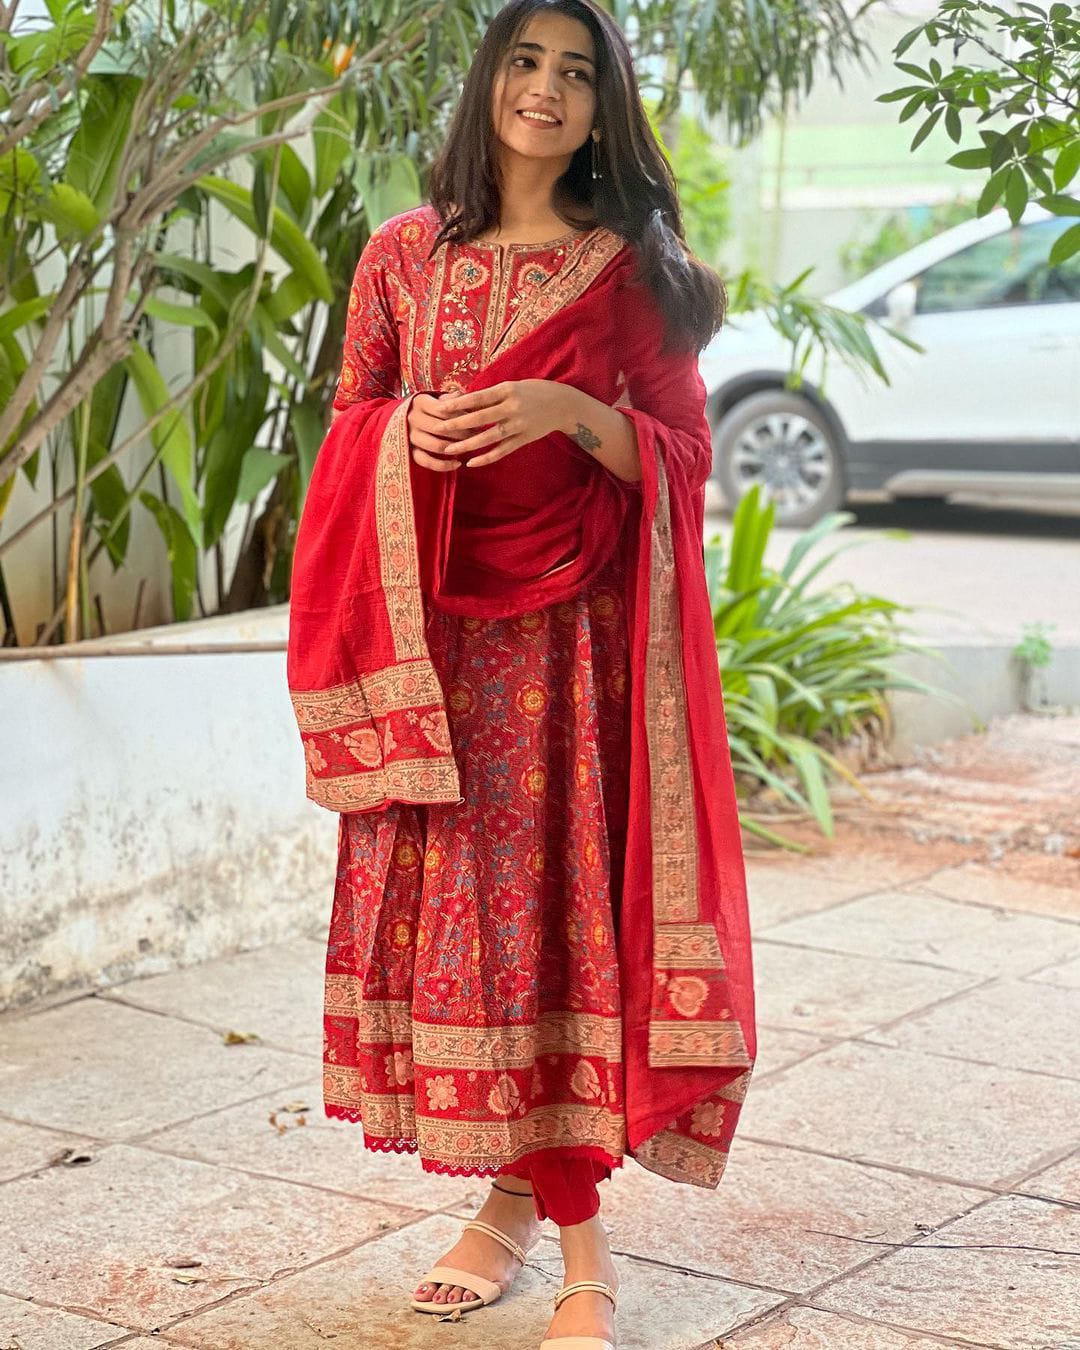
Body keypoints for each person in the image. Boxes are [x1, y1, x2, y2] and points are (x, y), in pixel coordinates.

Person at [286, 1, 756, 1346]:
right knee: (479, 936)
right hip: (431, 653)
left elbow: (685, 454)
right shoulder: (400, 258)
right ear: (488, 81)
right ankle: (507, 1206)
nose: (544, 92)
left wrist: (576, 413)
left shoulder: (631, 273)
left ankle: (580, 1246)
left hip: (570, 669)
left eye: (575, 74)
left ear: (605, 108)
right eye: (525, 63)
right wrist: (398, 440)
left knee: (552, 925)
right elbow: (349, 427)